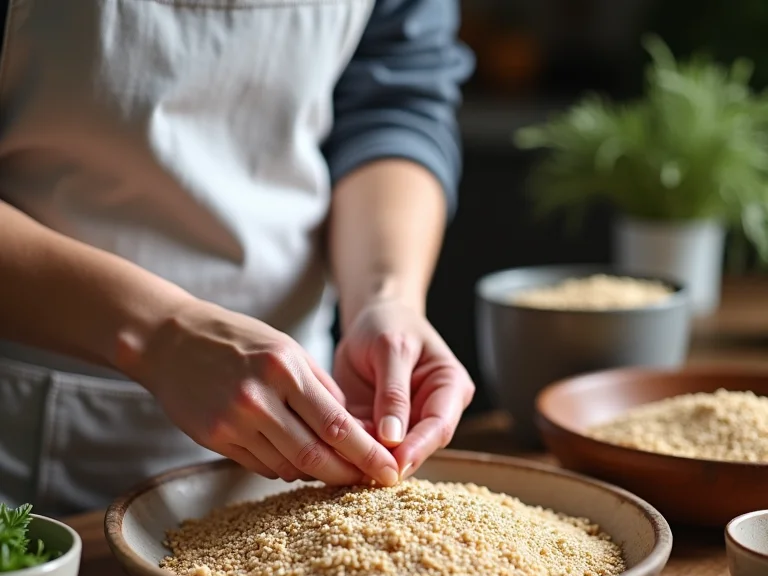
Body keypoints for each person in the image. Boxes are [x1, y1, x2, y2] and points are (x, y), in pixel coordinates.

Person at [0, 0, 476, 516]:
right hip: (24, 420)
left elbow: (392, 104)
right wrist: (159, 333)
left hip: (307, 415)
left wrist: (387, 297)